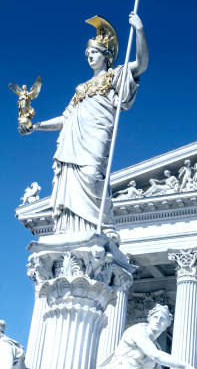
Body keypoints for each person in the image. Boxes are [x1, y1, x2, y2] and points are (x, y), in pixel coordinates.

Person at [19, 13, 148, 236]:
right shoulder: (81, 89)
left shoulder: (114, 76)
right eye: (88, 53)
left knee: (92, 176)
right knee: (70, 182)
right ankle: (72, 232)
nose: (89, 56)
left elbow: (142, 64)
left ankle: (101, 228)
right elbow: (65, 119)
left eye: (94, 52)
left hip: (96, 136)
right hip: (72, 143)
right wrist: (36, 126)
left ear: (106, 55)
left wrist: (139, 30)